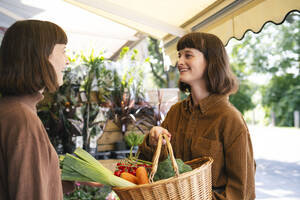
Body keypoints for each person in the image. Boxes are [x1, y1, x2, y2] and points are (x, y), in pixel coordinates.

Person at [139, 32, 256, 200]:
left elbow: (242, 192)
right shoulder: (175, 113)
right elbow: (145, 167)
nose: (179, 62)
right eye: (179, 55)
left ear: (211, 61)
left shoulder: (231, 119)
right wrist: (152, 141)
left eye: (188, 55)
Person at [0, 20, 81, 200]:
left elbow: (27, 180)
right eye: (63, 51)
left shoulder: (10, 111)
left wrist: (77, 177)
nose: (67, 61)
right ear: (41, 56)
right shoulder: (22, 119)